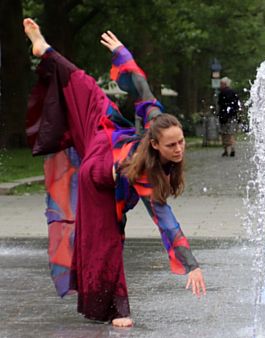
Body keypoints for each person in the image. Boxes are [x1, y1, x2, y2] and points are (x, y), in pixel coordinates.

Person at [23, 18, 206, 327]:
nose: (179, 149)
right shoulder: (146, 171)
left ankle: (46, 50)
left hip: (106, 139)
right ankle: (116, 310)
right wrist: (191, 265)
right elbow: (166, 221)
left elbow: (142, 88)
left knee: (89, 90)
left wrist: (123, 55)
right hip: (98, 176)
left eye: (181, 142)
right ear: (156, 144)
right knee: (107, 242)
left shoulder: (157, 122)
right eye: (172, 145)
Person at [217, 77, 240, 157]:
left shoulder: (221, 93)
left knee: (224, 133)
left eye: (221, 84)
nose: (220, 85)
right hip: (232, 115)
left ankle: (226, 150)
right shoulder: (233, 92)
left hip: (223, 116)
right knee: (231, 133)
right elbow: (237, 104)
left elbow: (219, 104)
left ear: (224, 84)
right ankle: (233, 148)